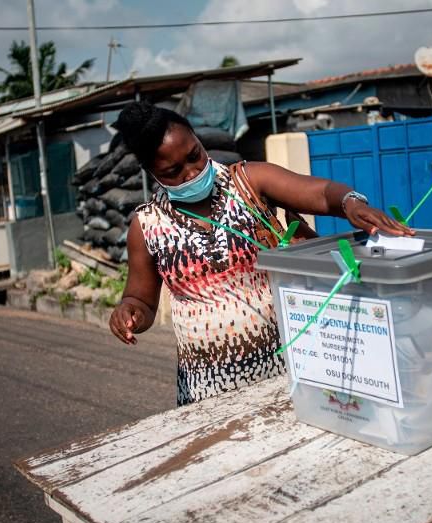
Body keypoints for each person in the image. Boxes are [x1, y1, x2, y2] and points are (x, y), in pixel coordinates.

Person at [109, 102, 414, 406]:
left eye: (195, 155)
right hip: (206, 386)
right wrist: (130, 311)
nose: (193, 172)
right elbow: (142, 300)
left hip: (289, 364)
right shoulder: (147, 225)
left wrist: (350, 202)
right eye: (174, 171)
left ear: (199, 141)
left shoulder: (248, 182)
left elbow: (320, 193)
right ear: (152, 172)